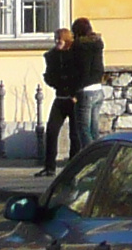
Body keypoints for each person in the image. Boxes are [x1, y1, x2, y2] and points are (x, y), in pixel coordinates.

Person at [39, 25, 87, 171]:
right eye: (56, 39)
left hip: (73, 98)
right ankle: (49, 167)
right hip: (60, 98)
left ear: (66, 40)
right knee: (52, 131)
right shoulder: (52, 56)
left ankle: (73, 167)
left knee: (75, 134)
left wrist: (74, 92)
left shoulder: (74, 55)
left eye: (60, 39)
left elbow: (79, 76)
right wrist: (54, 81)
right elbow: (49, 76)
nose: (57, 42)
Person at [68, 17, 107, 150]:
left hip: (85, 90)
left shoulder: (78, 46)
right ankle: (100, 156)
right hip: (98, 88)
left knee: (83, 129)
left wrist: (73, 91)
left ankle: (91, 157)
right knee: (94, 129)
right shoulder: (97, 44)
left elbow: (77, 71)